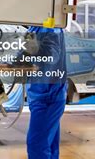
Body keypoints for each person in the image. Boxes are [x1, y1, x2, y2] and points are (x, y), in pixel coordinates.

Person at [25, 26, 67, 159]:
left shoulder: (51, 29)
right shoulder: (34, 27)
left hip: (48, 98)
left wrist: (34, 50)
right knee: (49, 146)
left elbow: (51, 57)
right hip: (41, 96)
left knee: (36, 145)